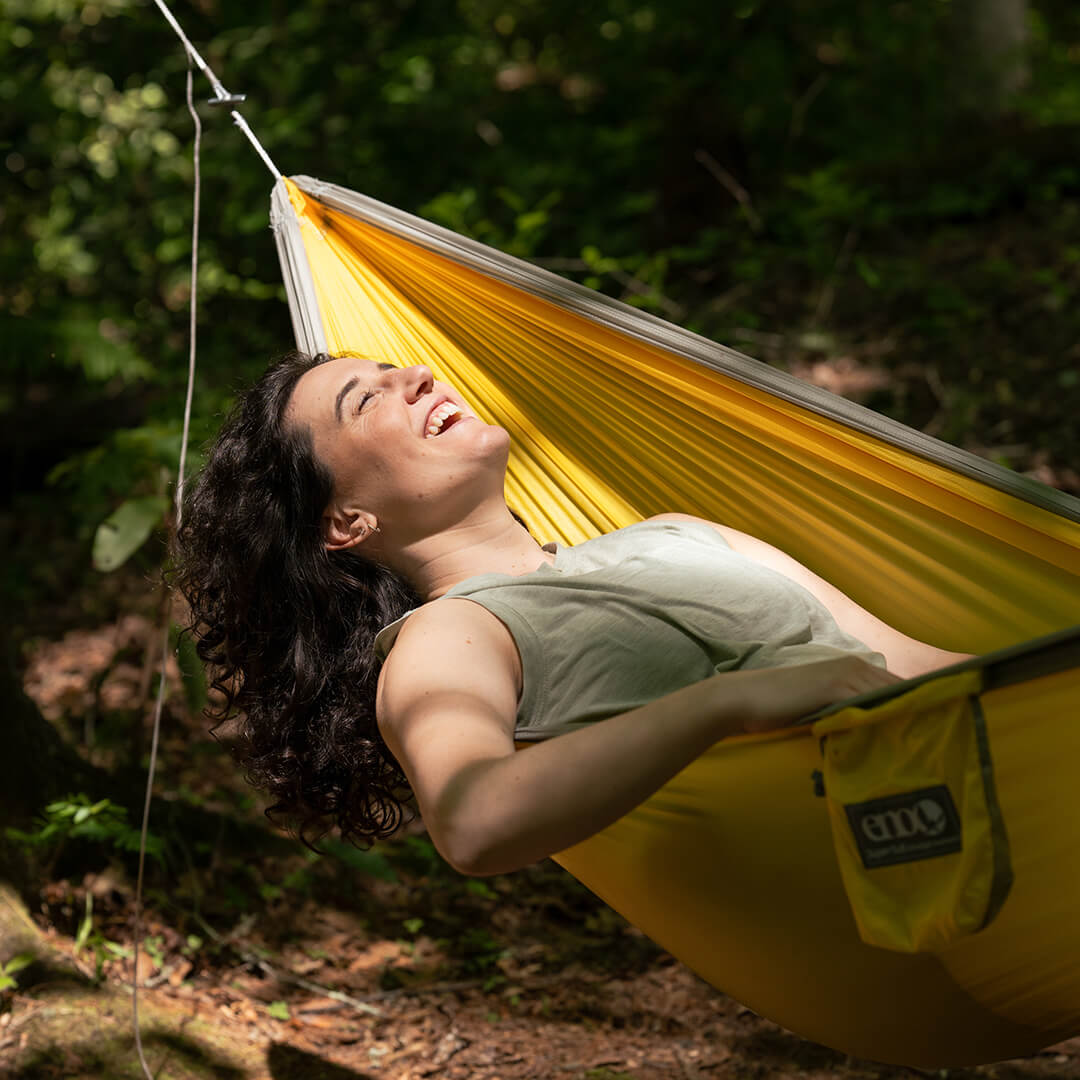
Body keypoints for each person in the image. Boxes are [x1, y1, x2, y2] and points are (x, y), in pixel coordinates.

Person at [175, 351, 971, 877]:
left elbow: (910, 662)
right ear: (346, 521)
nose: (416, 375)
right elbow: (473, 822)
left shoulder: (677, 533)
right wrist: (729, 701)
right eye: (367, 400)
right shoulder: (451, 635)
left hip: (975, 768)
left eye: (397, 369)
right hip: (897, 846)